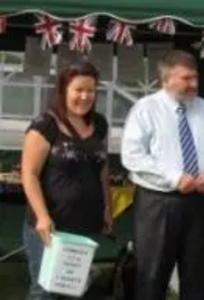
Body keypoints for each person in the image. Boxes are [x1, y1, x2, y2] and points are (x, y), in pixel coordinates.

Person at [121, 49, 204, 300]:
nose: (195, 84)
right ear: (166, 80)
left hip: (198, 204)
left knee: (198, 278)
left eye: (195, 77)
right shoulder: (145, 109)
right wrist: (174, 177)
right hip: (157, 204)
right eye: (187, 79)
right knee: (151, 278)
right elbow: (132, 155)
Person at [21, 61, 112, 299]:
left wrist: (107, 209)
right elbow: (28, 174)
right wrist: (42, 217)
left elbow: (102, 169)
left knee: (73, 289)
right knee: (45, 289)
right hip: (49, 226)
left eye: (90, 90)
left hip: (83, 224)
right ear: (63, 91)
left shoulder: (99, 124)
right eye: (78, 90)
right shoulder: (45, 124)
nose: (85, 96)